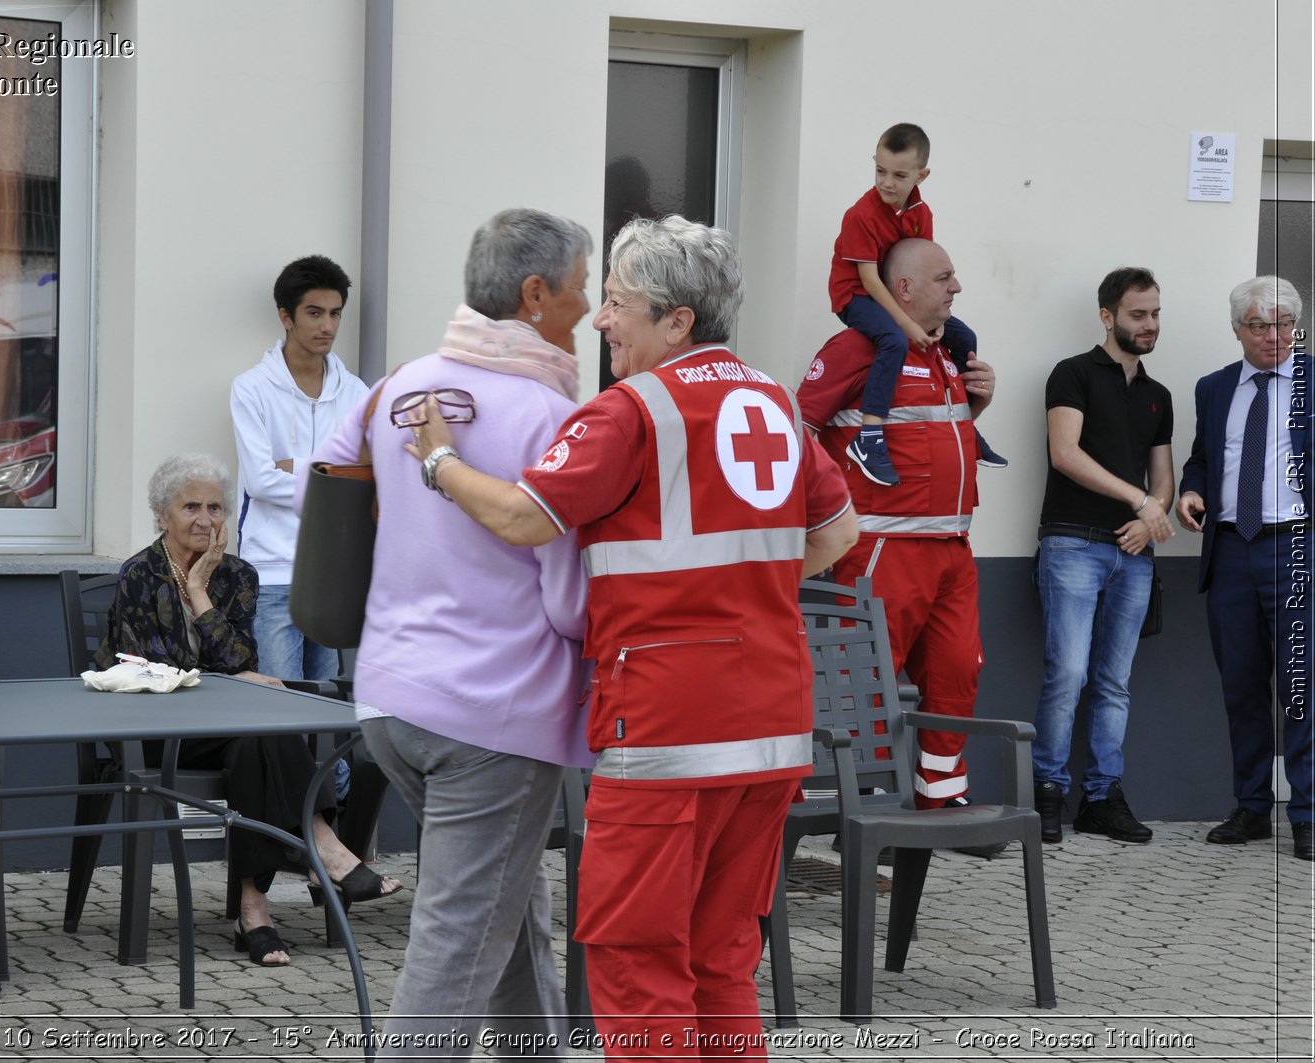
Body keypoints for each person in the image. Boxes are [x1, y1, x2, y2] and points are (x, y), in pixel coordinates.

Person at [408, 215, 858, 1056]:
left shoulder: (630, 411)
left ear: (677, 319)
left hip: (664, 728)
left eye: (618, 303)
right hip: (771, 728)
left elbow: (519, 516)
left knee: (635, 957)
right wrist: (741, 587)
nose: (602, 319)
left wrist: (438, 461)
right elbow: (837, 534)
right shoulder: (772, 400)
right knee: (721, 956)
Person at [300, 207, 593, 1056]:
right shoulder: (549, 415)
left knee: (509, 902)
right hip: (493, 711)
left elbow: (333, 511)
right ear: (535, 295)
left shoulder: (395, 387)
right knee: (459, 939)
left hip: (393, 699)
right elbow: (568, 599)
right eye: (580, 288)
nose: (591, 310)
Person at [92, 453, 400, 966]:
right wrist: (222, 666)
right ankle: (322, 849)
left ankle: (254, 912)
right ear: (161, 513)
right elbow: (159, 674)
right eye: (190, 506)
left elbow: (240, 662)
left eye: (215, 507)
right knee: (259, 733)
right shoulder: (138, 576)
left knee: (257, 740)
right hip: (156, 728)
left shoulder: (238, 576)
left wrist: (199, 594)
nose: (206, 519)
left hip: (229, 730)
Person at [798, 238, 1007, 858]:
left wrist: (980, 400)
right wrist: (821, 518)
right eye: (945, 276)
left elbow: (936, 435)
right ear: (905, 288)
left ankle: (938, 798)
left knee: (956, 674)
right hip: (881, 549)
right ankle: (855, 811)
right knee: (864, 684)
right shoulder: (857, 346)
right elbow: (797, 428)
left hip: (952, 548)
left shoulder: (945, 352)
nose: (957, 287)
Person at [1031, 268, 1175, 845]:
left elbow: (1161, 479)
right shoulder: (1072, 373)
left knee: (1114, 682)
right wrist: (1140, 500)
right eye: (1138, 314)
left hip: (1133, 555)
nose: (1150, 325)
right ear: (1107, 316)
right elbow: (1065, 454)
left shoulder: (1157, 395)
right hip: (1071, 543)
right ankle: (1047, 793)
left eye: (1156, 314)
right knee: (1067, 674)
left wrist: (1148, 516)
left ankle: (1102, 798)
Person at [1178, 276, 1312, 862]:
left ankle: (1306, 816)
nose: (1275, 336)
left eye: (1285, 324)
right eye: (1260, 325)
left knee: (1301, 687)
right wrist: (1190, 490)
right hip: (1231, 550)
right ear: (1238, 330)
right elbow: (1204, 458)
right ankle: (1253, 808)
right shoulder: (1213, 388)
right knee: (1242, 687)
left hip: (1297, 550)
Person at [827, 122, 1006, 486]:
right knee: (893, 341)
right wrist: (910, 325)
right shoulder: (861, 215)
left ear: (921, 176)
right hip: (857, 296)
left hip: (895, 296)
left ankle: (962, 422)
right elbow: (869, 280)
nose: (886, 183)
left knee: (963, 336)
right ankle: (870, 435)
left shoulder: (921, 213)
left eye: (899, 175)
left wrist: (932, 317)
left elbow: (921, 268)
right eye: (879, 171)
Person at [230, 255, 369, 683]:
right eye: (314, 313)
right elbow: (260, 479)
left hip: (331, 572)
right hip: (271, 572)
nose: (326, 326)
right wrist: (333, 474)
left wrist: (296, 467)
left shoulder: (357, 393)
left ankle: (334, 759)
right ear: (286, 317)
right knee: (280, 705)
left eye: (334, 314)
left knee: (325, 706)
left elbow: (369, 476)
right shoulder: (251, 388)